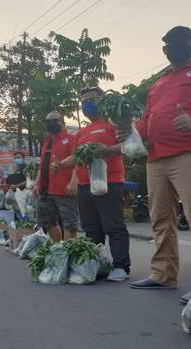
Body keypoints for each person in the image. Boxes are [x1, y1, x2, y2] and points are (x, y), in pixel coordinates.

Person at [121, 26, 191, 304]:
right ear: (163, 50)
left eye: (182, 42)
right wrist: (131, 132)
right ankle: (163, 274)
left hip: (190, 154)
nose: (175, 47)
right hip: (155, 158)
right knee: (160, 218)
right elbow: (148, 120)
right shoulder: (157, 84)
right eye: (169, 43)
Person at [61, 87, 131, 282]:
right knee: (91, 228)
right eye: (84, 102)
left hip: (109, 181)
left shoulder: (114, 124)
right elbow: (76, 157)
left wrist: (108, 150)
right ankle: (95, 263)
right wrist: (60, 165)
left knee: (113, 226)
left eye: (92, 100)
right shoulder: (81, 132)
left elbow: (130, 147)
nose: (87, 104)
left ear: (103, 101)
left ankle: (121, 266)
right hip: (85, 184)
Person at [32, 111, 79, 242]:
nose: (51, 124)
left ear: (62, 122)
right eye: (48, 121)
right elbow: (42, 166)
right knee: (47, 222)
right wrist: (36, 183)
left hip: (64, 189)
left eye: (55, 120)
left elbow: (78, 161)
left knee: (69, 224)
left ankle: (69, 252)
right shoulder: (46, 142)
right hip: (45, 190)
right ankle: (58, 249)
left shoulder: (71, 139)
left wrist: (74, 182)